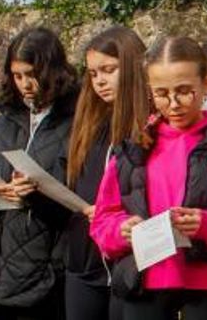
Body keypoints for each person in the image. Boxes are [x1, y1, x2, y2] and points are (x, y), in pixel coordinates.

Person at [90, 35, 207, 320]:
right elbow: (103, 220)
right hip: (145, 283)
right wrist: (122, 230)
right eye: (162, 93)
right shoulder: (134, 147)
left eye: (184, 91)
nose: (174, 103)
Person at [0, 27, 79, 320]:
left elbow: (80, 199)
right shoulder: (1, 122)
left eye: (31, 74)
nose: (25, 85)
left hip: (42, 273)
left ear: (53, 70)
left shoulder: (77, 123)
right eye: (17, 75)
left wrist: (36, 193)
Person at [62, 26, 149, 320]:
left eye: (109, 70)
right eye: (93, 73)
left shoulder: (149, 125)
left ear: (133, 67)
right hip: (84, 260)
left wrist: (114, 215)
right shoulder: (89, 123)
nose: (99, 81)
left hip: (129, 263)